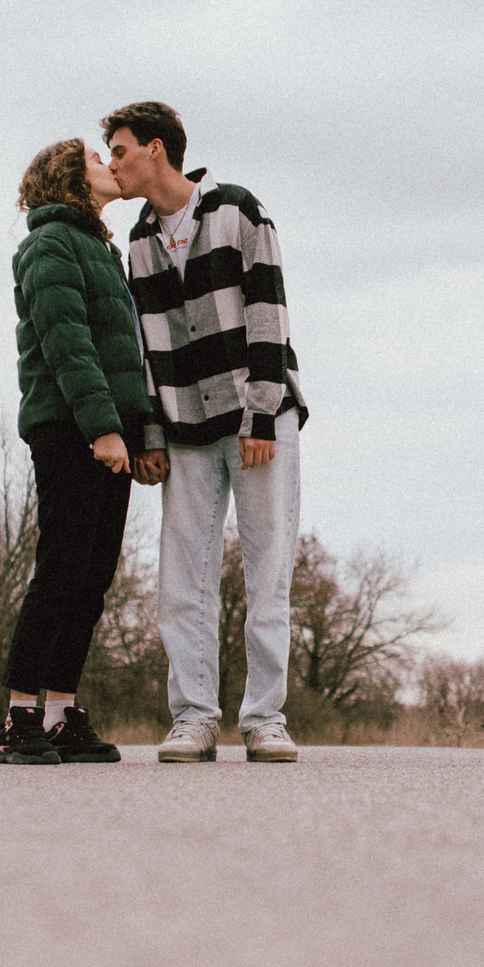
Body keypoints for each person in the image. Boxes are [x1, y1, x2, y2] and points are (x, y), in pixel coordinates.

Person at [100, 101, 309, 765]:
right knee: (181, 577)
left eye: (122, 152)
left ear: (156, 150)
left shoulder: (238, 210)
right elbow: (144, 349)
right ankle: (193, 718)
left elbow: (269, 309)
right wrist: (151, 435)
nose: (114, 166)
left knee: (266, 564)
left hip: (257, 419)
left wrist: (261, 414)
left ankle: (264, 719)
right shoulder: (137, 241)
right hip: (184, 427)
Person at [0, 138, 158, 767]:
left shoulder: (102, 250)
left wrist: (136, 437)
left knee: (94, 574)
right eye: (97, 160)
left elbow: (124, 358)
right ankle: (17, 717)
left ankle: (61, 715)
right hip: (67, 427)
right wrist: (102, 430)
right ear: (69, 179)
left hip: (104, 430)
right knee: (60, 569)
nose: (110, 167)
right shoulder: (48, 244)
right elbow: (68, 344)